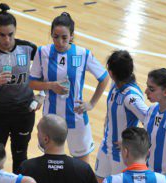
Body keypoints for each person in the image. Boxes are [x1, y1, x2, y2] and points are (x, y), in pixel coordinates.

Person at [87, 50, 148, 183]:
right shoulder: (116, 87)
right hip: (106, 148)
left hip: (121, 156)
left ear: (111, 72)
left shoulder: (131, 97)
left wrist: (128, 142)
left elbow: (148, 120)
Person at [29, 12, 109, 164]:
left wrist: (91, 103)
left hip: (76, 118)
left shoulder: (83, 54)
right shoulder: (42, 52)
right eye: (55, 36)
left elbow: (104, 78)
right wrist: (51, 86)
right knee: (51, 163)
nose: (59, 41)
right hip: (51, 119)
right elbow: (32, 82)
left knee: (82, 165)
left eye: (64, 37)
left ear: (72, 36)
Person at [0, 3, 41, 174]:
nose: (6, 39)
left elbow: (44, 73)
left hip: (24, 112)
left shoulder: (28, 49)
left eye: (10, 34)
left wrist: (41, 95)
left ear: (16, 30)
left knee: (20, 155)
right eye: (2, 35)